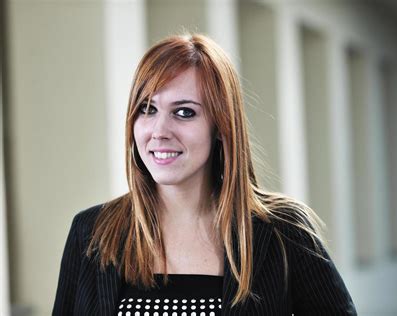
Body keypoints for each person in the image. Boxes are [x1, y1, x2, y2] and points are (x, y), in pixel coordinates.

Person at [52, 33, 357, 316]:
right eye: (147, 109)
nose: (159, 131)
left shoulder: (283, 230)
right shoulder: (91, 232)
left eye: (184, 112)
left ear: (222, 127)